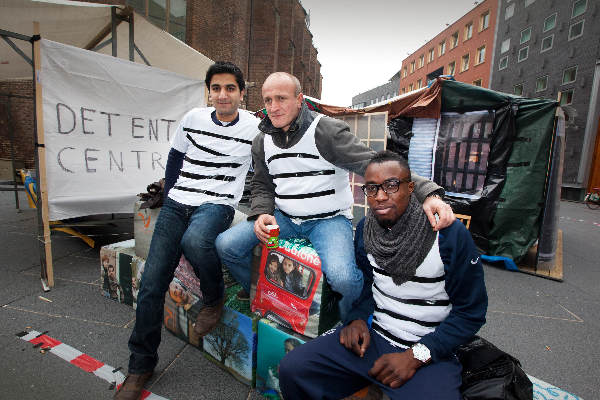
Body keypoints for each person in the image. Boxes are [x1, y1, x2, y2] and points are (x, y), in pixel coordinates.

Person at [216, 72, 454, 321]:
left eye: (281, 98)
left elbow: (375, 165)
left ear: (299, 100)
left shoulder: (324, 131)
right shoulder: (261, 141)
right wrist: (262, 213)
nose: (273, 108)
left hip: (327, 221)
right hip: (283, 218)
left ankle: (348, 319)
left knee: (343, 279)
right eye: (267, 100)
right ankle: (263, 295)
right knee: (226, 246)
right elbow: (262, 184)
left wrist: (428, 193)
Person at [278, 151, 488, 400]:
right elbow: (369, 285)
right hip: (374, 338)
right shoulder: (367, 228)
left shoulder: (446, 234)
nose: (379, 197)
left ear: (411, 188)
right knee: (294, 369)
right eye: (371, 188)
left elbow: (470, 313)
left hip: (431, 348)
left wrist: (415, 356)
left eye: (391, 186)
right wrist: (356, 320)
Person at [115, 61, 259, 400]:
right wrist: (168, 197)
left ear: (242, 92)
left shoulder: (255, 128)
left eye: (230, 88)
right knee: (151, 284)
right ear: (208, 91)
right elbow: (175, 159)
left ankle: (213, 297)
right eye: (216, 88)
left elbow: (271, 164)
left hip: (218, 203)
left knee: (196, 241)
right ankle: (141, 365)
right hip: (178, 201)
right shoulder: (192, 119)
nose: (223, 95)